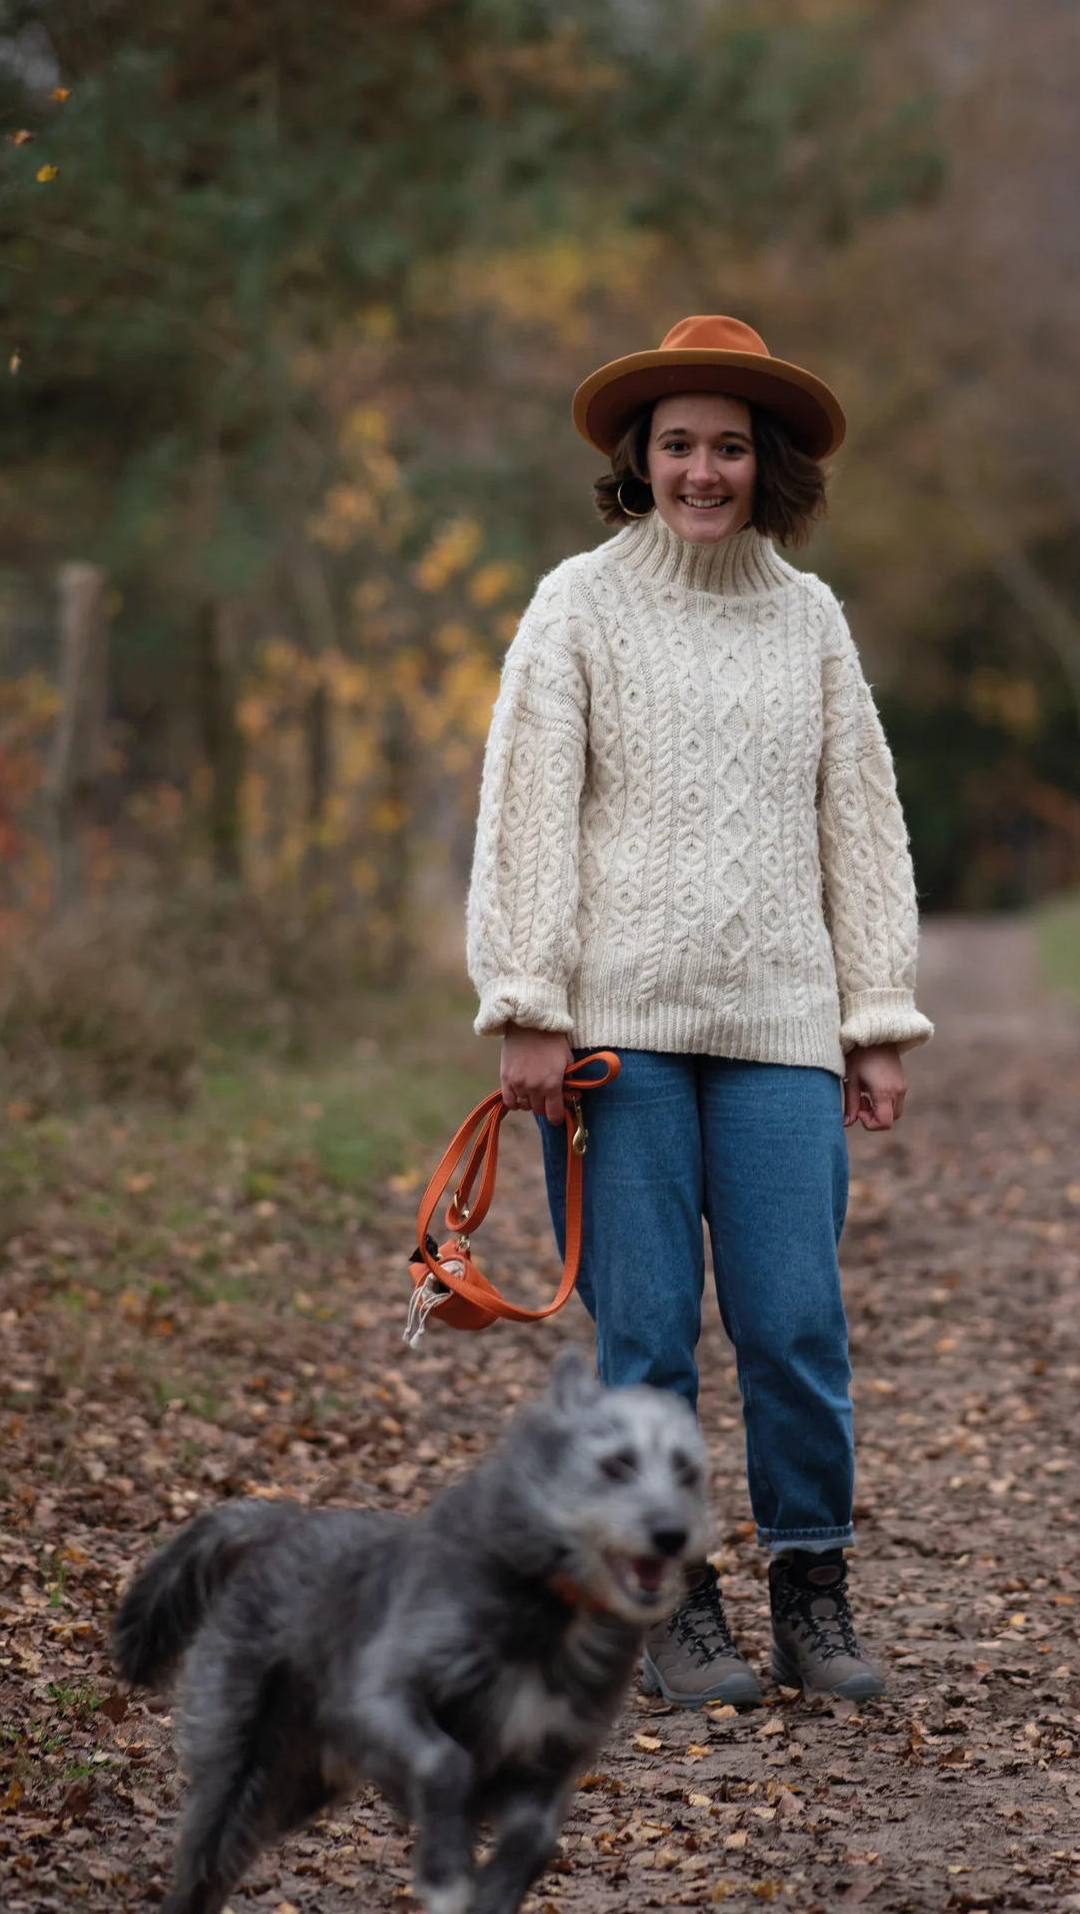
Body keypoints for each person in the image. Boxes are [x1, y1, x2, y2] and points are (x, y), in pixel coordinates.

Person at [464, 315, 930, 1706]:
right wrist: (527, 1003)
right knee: (649, 1332)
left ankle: (814, 1594)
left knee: (794, 1321)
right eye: (679, 446)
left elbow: (861, 821)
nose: (703, 471)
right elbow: (526, 813)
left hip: (783, 1027)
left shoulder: (813, 621)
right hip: (621, 1036)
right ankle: (672, 1608)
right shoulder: (579, 606)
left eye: (729, 447)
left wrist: (878, 1015)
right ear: (640, 459)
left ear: (766, 462)